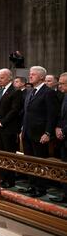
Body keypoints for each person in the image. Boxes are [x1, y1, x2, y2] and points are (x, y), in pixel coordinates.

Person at [20, 66, 58, 198]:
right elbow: (26, 113)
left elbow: (52, 115)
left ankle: (40, 188)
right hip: (27, 132)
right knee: (29, 161)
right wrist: (22, 129)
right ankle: (31, 185)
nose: (30, 76)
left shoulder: (48, 92)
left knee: (39, 161)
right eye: (30, 74)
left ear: (41, 77)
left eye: (33, 74)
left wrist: (47, 133)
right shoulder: (30, 91)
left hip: (40, 133)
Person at [0, 69, 24, 188]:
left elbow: (14, 110)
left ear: (9, 78)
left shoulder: (16, 91)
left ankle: (10, 180)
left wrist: (1, 122)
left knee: (9, 154)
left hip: (9, 128)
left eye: (2, 78)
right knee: (1, 154)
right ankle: (3, 177)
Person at [53, 72, 67, 203]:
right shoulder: (64, 96)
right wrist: (57, 128)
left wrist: (63, 130)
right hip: (63, 136)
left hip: (65, 134)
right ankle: (65, 194)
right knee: (64, 166)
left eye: (62, 83)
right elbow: (60, 115)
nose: (59, 86)